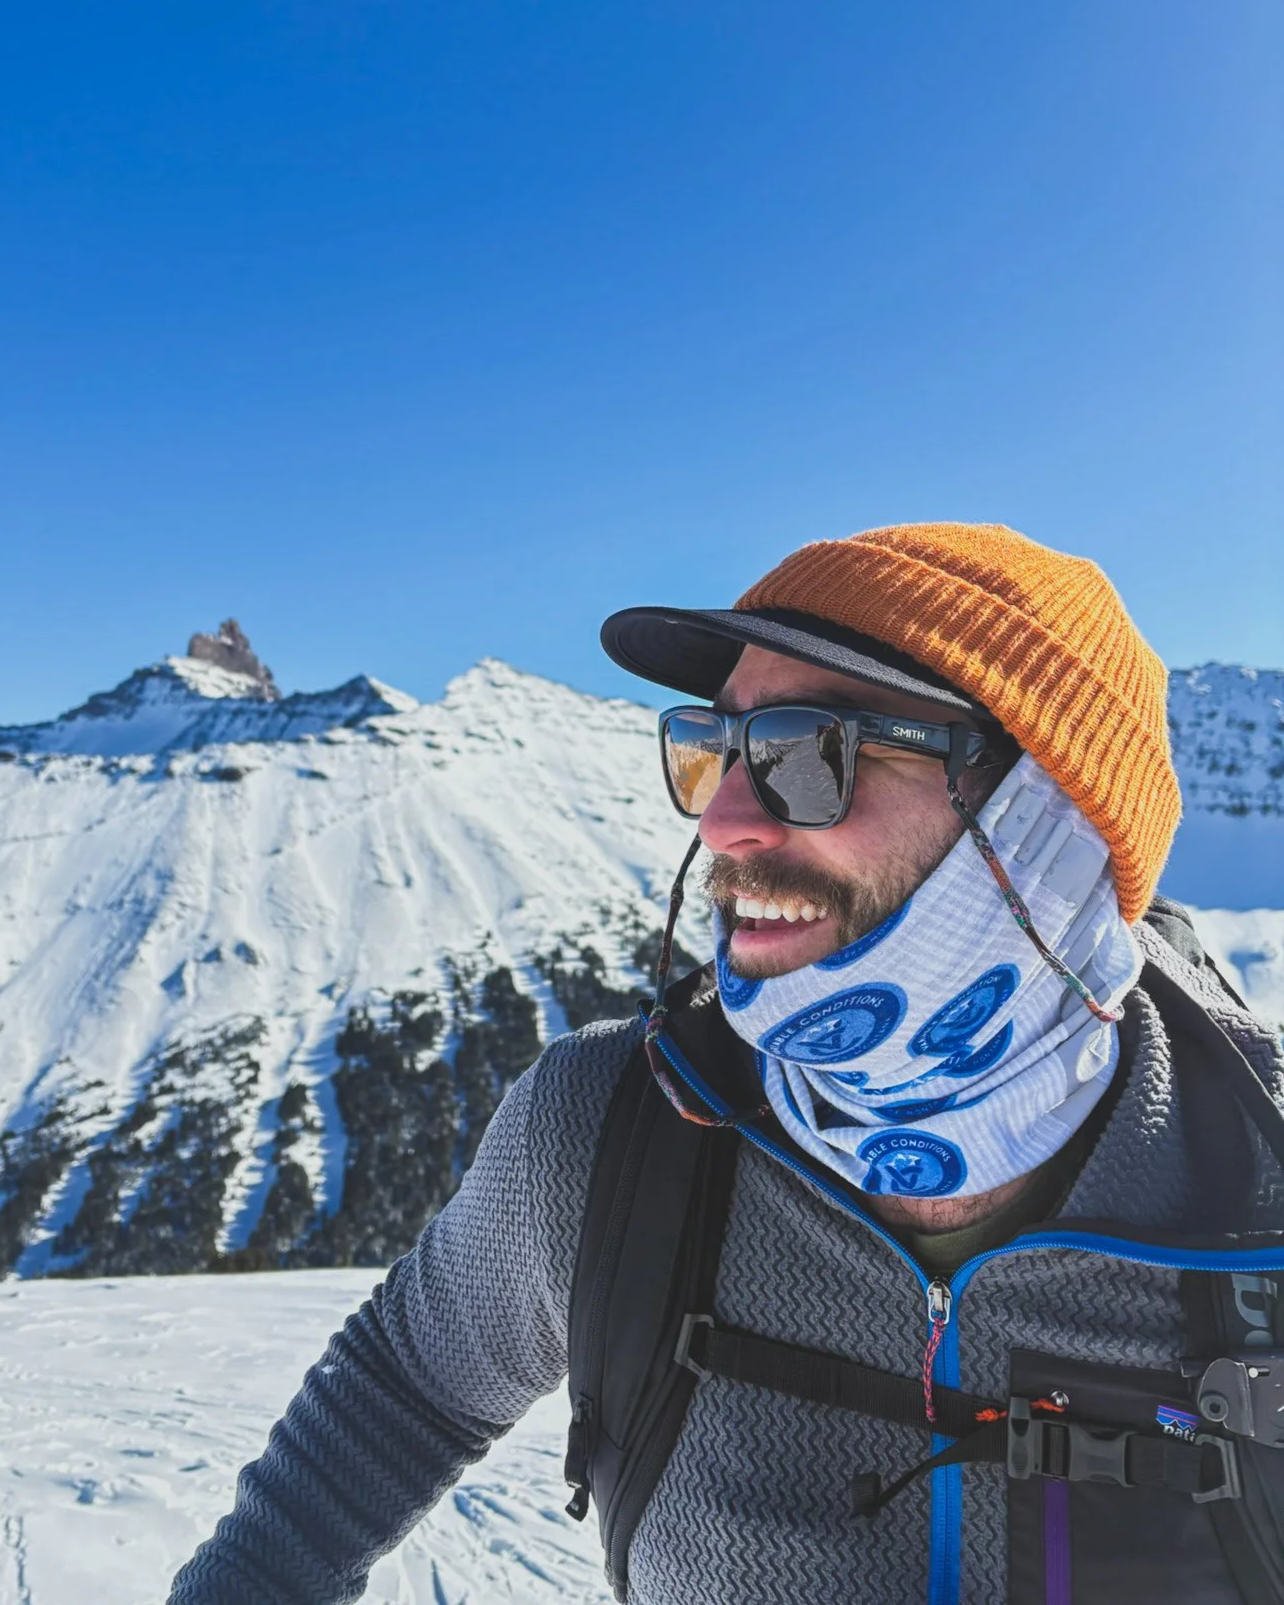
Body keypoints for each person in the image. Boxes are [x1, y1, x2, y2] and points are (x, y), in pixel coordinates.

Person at [169, 523, 1284, 1605]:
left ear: (1048, 811)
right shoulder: (614, 1128)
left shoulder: (1260, 1171)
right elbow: (400, 1394)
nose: (727, 822)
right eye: (717, 752)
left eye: (811, 754)